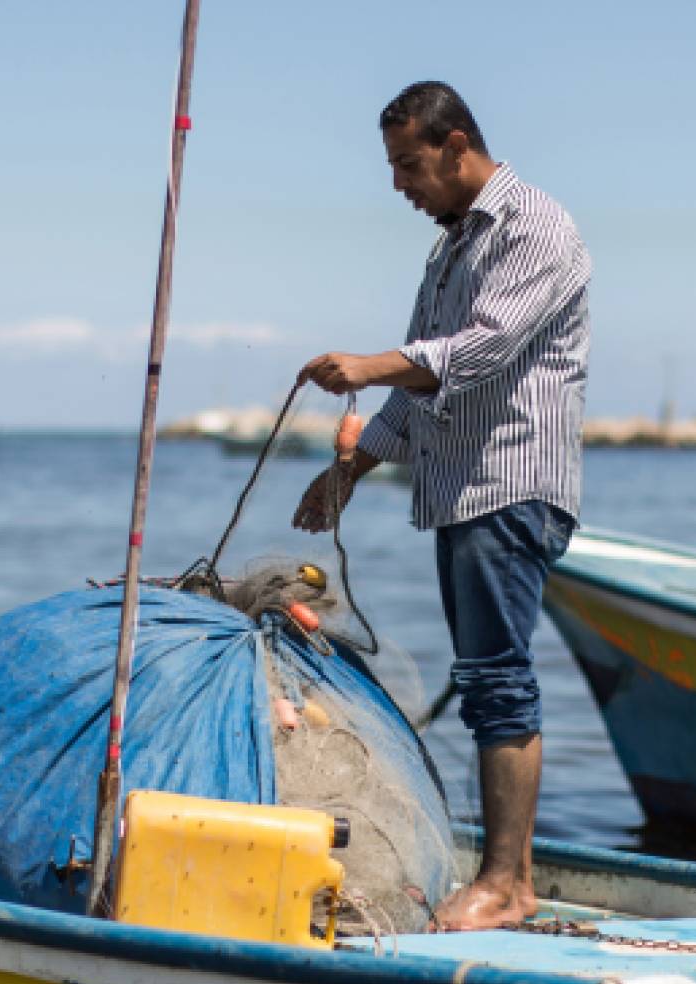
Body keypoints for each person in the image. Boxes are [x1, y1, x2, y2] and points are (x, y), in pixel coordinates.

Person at [292, 81, 590, 931]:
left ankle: (507, 885)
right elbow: (424, 384)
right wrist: (350, 472)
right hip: (463, 488)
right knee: (483, 676)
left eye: (408, 165)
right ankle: (509, 874)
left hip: (512, 484)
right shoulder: (450, 249)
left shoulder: (535, 226)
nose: (399, 186)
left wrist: (370, 363)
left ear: (457, 145)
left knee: (497, 679)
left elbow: (481, 350)